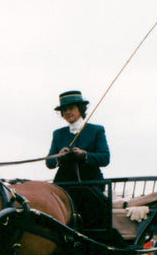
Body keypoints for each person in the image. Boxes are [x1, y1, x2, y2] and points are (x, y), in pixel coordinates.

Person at [45, 90, 110, 229]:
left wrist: (85, 154)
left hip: (90, 184)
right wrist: (58, 156)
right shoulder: (58, 134)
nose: (68, 112)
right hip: (65, 184)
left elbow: (105, 158)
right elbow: (49, 163)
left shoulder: (96, 130)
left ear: (80, 109)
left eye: (71, 108)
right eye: (64, 110)